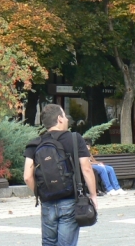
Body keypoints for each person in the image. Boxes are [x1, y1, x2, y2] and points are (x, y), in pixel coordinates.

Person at [24, 105, 98, 246]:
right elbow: (87, 168)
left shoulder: (34, 143)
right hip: (70, 200)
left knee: (48, 243)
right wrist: (93, 195)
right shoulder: (75, 139)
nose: (66, 119)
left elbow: (27, 176)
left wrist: (41, 193)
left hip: (47, 202)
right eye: (64, 116)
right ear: (59, 119)